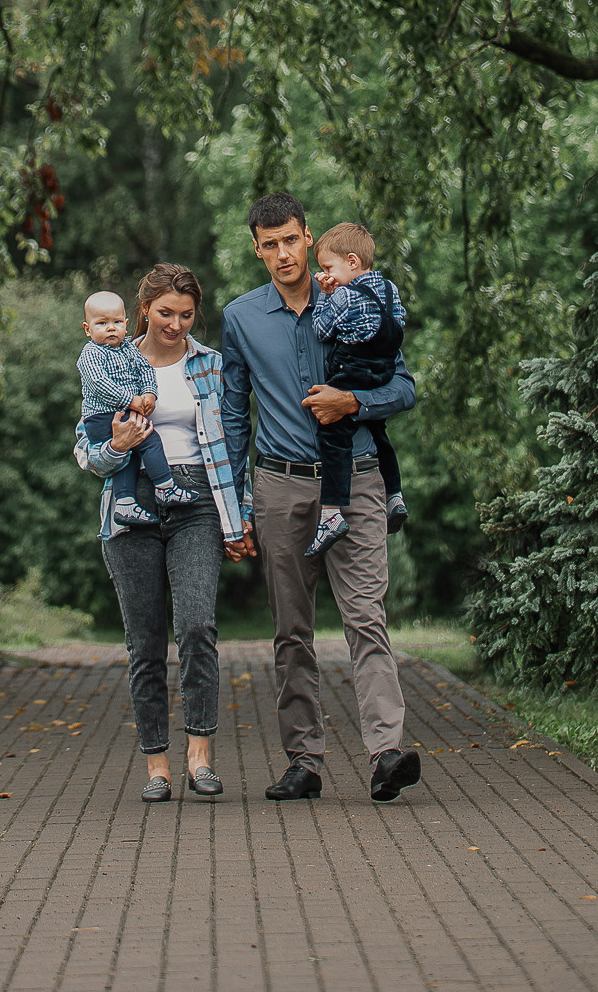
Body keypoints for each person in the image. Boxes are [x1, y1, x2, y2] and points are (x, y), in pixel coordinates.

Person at [221, 191, 422, 804]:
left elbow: (405, 384)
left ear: (308, 237)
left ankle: (387, 752)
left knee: (366, 616)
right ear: (257, 250)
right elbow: (233, 414)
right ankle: (303, 762)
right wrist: (234, 508)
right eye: (269, 245)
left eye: (290, 239)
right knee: (292, 629)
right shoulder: (241, 319)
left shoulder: (356, 298)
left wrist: (353, 402)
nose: (283, 253)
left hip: (357, 478)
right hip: (279, 487)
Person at [75, 263, 247, 803]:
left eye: (187, 314)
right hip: (131, 504)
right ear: (142, 310)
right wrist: (118, 447)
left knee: (196, 626)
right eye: (165, 313)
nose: (175, 324)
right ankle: (157, 765)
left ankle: (199, 755)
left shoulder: (212, 366)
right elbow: (86, 452)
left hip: (196, 502)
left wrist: (238, 519)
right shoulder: (107, 362)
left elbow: (235, 450)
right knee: (144, 642)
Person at [306, 223, 409, 557]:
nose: (326, 275)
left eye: (328, 268)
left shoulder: (344, 296)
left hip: (353, 371)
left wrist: (325, 296)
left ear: (351, 262)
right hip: (383, 371)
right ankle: (394, 494)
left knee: (333, 437)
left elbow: (321, 331)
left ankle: (332, 512)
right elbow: (400, 320)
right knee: (379, 433)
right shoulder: (390, 288)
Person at [77, 288, 200, 529]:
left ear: (126, 323)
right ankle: (164, 488)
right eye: (101, 323)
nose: (110, 328)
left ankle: (125, 504)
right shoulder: (90, 354)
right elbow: (99, 384)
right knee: (147, 442)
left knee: (132, 453)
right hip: (102, 417)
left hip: (128, 411)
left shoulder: (128, 349)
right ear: (87, 329)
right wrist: (131, 401)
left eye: (115, 322)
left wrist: (149, 393)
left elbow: (145, 370)